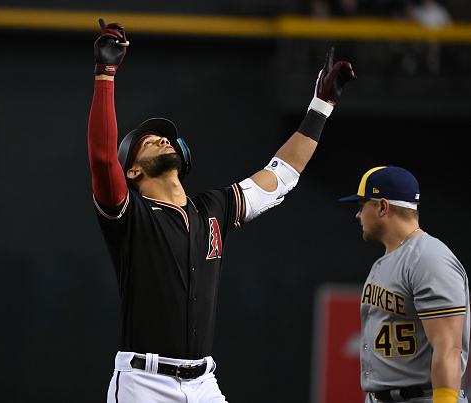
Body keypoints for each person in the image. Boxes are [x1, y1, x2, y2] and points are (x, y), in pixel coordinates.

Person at [88, 18, 356, 402]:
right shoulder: (130, 215)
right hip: (143, 383)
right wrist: (106, 73)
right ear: (132, 170)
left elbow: (281, 175)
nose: (162, 138)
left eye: (165, 136)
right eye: (148, 141)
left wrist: (321, 105)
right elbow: (101, 157)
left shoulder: (212, 208)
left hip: (203, 383)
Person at [338, 166, 470, 403]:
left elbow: (448, 348)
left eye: (362, 206)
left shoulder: (430, 258)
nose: (358, 215)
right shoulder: (386, 260)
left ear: (382, 206)